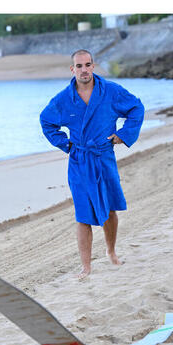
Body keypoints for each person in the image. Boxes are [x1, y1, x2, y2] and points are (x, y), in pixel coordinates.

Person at [39, 49, 145, 278]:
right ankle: (86, 266)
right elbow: (46, 121)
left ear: (93, 66)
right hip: (79, 161)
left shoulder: (111, 92)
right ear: (72, 69)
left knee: (110, 208)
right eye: (79, 66)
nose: (84, 70)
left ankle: (111, 251)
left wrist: (124, 134)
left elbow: (137, 108)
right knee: (83, 214)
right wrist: (65, 145)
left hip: (104, 157)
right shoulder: (63, 99)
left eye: (88, 65)